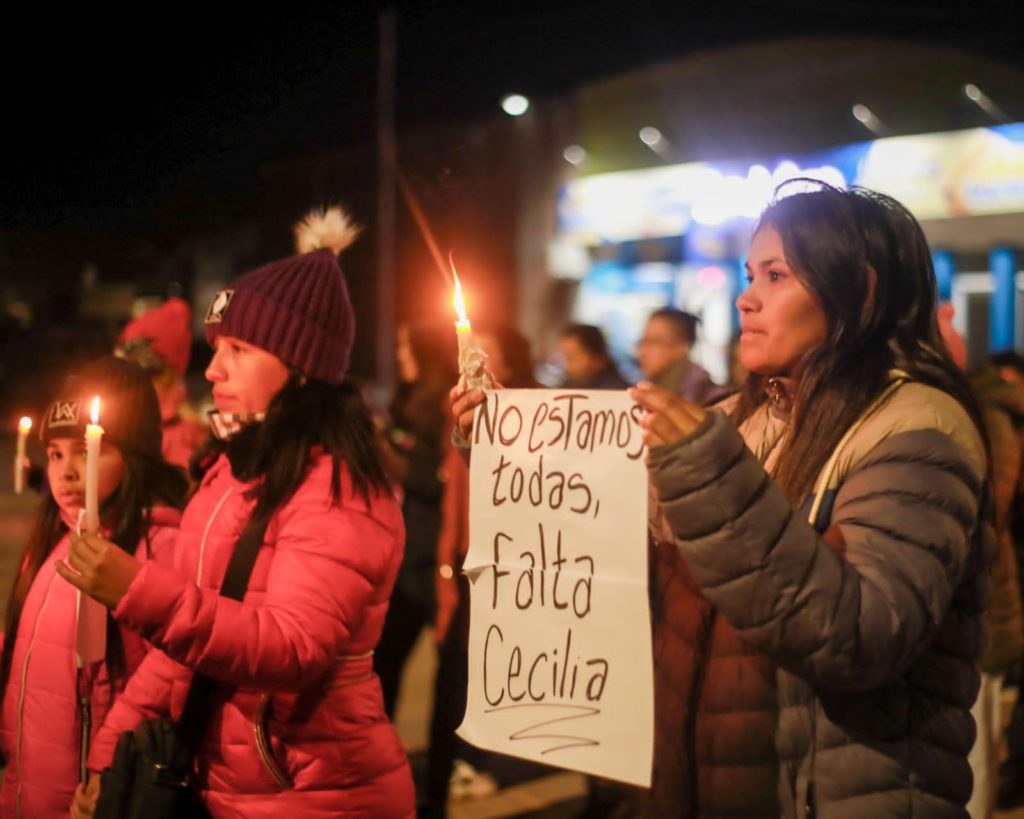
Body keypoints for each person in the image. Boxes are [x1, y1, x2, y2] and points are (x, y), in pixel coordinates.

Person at [452, 182, 992, 817]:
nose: (746, 297)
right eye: (748, 274)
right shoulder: (737, 418)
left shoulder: (915, 431)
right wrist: (509, 443)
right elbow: (607, 512)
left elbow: (859, 634)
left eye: (776, 274)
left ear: (861, 291)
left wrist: (710, 472)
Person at [61, 206, 415, 818]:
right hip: (224, 782)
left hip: (314, 793)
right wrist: (108, 755)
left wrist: (137, 590)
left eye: (240, 349)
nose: (212, 369)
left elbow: (294, 647)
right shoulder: (232, 465)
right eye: (217, 346)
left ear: (300, 369)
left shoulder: (338, 485)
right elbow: (184, 651)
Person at [0, 356, 187, 819]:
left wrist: (108, 768)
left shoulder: (157, 548)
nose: (65, 473)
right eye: (57, 454)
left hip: (93, 795)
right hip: (25, 790)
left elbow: (162, 677)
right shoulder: (52, 544)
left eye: (86, 451)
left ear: (134, 453)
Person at [374, 321, 457, 718]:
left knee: (450, 671)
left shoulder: (443, 407)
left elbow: (439, 481)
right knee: (384, 663)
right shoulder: (407, 401)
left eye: (408, 349)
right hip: (406, 548)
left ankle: (456, 764)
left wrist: (387, 457)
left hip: (431, 552)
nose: (400, 357)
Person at [116, 297, 208, 471]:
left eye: (147, 373)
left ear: (168, 374)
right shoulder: (134, 425)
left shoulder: (182, 436)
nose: (129, 385)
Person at [636, 307, 715, 404]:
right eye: (642, 342)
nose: (643, 351)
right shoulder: (650, 387)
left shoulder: (705, 398)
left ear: (681, 347)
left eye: (654, 342)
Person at [558, 323, 629, 389]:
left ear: (596, 358)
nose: (567, 367)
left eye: (572, 358)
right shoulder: (570, 384)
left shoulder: (617, 392)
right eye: (565, 357)